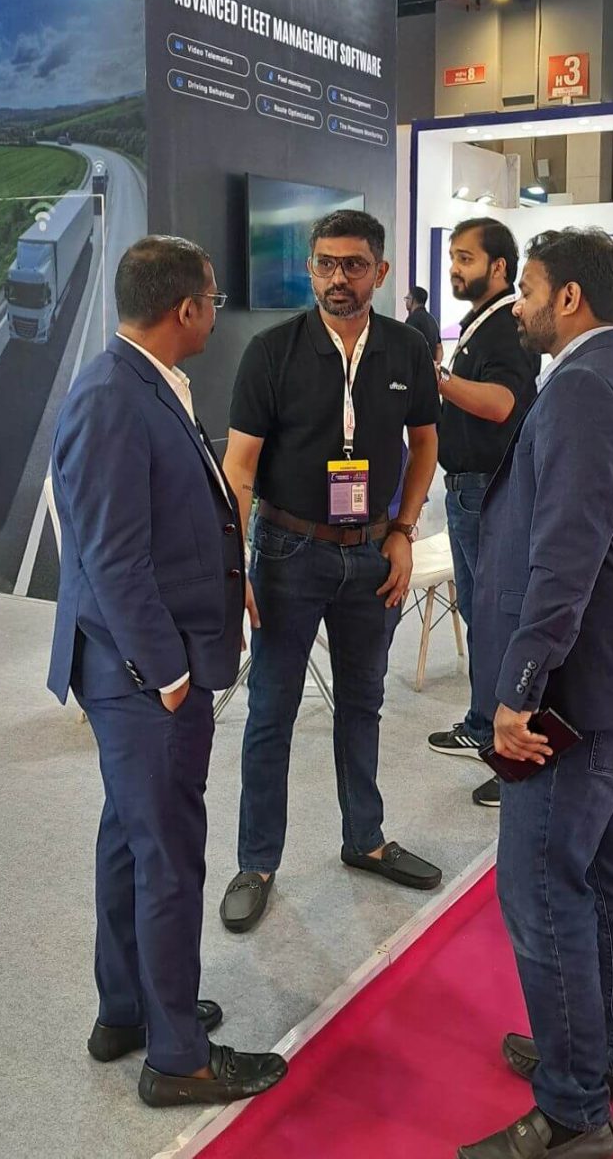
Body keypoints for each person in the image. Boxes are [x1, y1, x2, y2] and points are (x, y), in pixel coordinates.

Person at [458, 229, 613, 1159]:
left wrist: (516, 690)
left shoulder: (585, 386)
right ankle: (612, 1054)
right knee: (605, 866)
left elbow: (568, 553)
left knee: (543, 886)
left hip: (578, 687)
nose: (519, 304)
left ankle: (575, 1109)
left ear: (570, 299)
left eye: (529, 289)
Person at [48, 237, 287, 1109]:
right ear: (186, 308)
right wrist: (170, 676)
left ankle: (131, 1009)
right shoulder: (114, 397)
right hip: (143, 675)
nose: (216, 313)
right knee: (169, 857)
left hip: (143, 666)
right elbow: (113, 559)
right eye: (213, 300)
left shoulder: (146, 381)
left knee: (131, 837)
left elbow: (174, 518)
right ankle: (179, 1056)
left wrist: (229, 579)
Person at [220, 209, 442, 933]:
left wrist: (404, 531)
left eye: (353, 264)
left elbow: (425, 445)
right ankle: (257, 861)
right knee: (272, 710)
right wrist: (232, 566)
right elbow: (240, 468)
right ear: (310, 268)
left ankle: (364, 838)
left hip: (374, 553)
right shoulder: (271, 352)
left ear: (380, 271)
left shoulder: (407, 348)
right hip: (289, 551)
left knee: (363, 702)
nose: (337, 278)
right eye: (325, 263)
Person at [425, 217, 539, 811]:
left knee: (498, 618)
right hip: (468, 488)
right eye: (453, 256)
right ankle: (480, 720)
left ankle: (507, 745)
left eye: (465, 258)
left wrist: (439, 382)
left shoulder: (505, 328)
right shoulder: (482, 323)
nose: (454, 268)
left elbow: (501, 404)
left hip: (488, 488)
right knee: (479, 613)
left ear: (500, 266)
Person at [404, 284, 443, 365]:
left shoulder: (412, 319)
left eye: (407, 298)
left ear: (413, 300)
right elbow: (439, 347)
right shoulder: (432, 320)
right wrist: (436, 365)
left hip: (417, 368)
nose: (406, 301)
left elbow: (409, 348)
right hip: (430, 368)